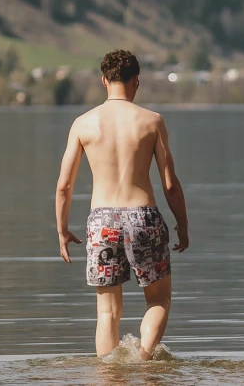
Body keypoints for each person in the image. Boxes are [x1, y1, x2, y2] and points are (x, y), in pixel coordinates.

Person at [55, 49, 190, 359]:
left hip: (101, 221)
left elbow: (64, 186)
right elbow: (170, 184)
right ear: (136, 81)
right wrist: (182, 225)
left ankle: (109, 377)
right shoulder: (152, 121)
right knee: (158, 300)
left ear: (104, 80)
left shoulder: (83, 123)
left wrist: (62, 229)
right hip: (143, 217)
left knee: (107, 312)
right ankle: (143, 361)